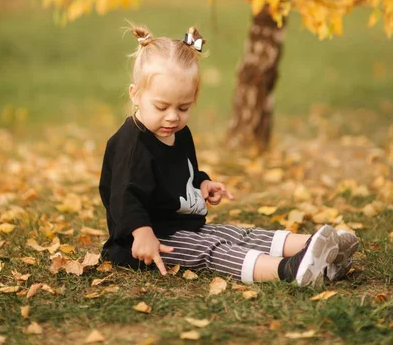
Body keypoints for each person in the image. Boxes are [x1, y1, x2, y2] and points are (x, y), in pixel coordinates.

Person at [98, 25, 358, 285]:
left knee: (238, 235)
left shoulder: (178, 132)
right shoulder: (131, 144)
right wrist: (142, 233)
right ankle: (287, 270)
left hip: (183, 225)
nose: (173, 116)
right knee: (212, 249)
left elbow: (183, 172)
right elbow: (123, 195)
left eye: (184, 107)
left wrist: (202, 183)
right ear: (136, 95)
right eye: (161, 106)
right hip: (150, 241)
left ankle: (319, 247)